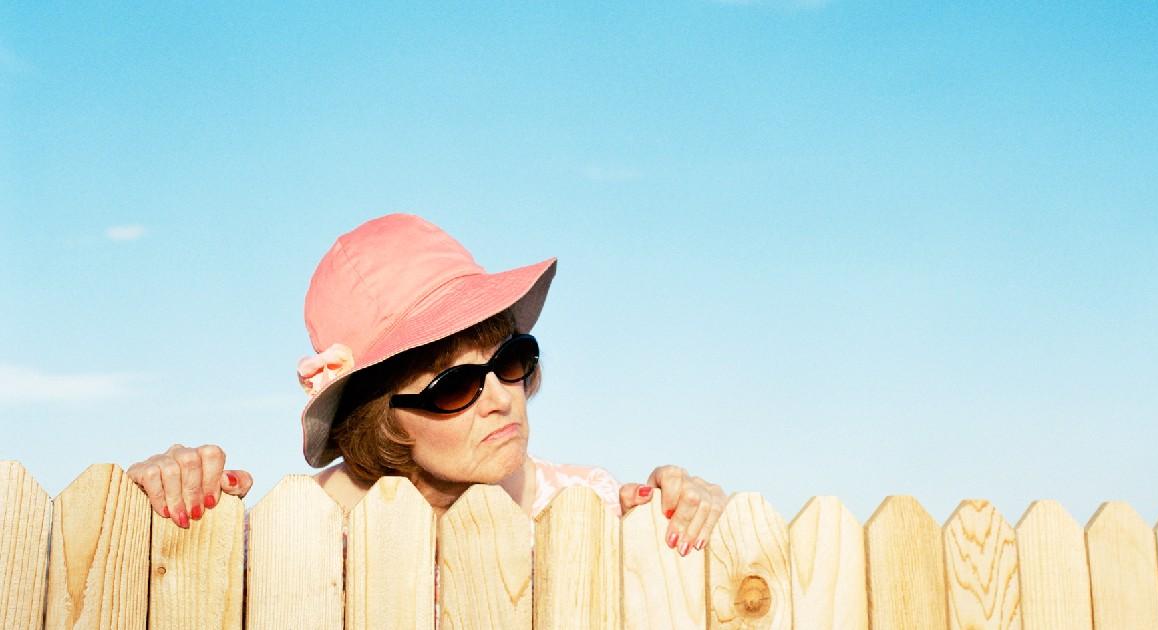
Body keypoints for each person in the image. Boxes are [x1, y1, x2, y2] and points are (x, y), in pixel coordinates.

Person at [127, 213, 726, 556]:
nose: (499, 399)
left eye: (510, 358)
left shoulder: (596, 509)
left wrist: (707, 526)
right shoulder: (289, 538)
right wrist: (146, 507)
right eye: (452, 386)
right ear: (381, 417)